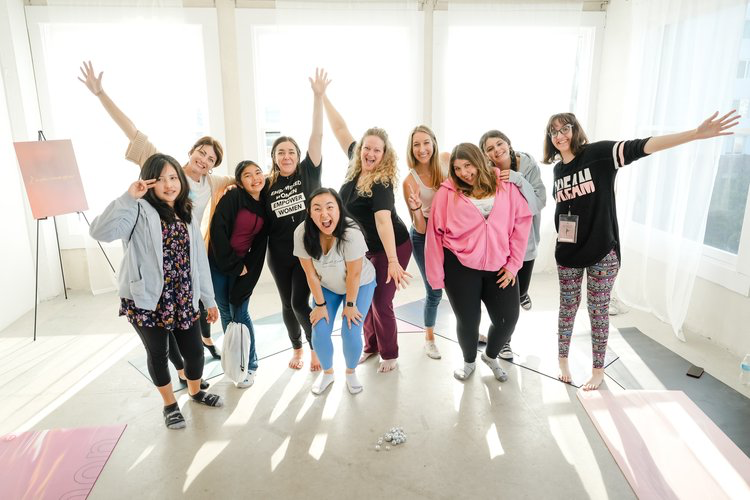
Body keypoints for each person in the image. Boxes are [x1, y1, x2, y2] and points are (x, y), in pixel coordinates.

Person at [543, 110, 740, 390]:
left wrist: (695, 134)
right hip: (568, 253)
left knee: (597, 311)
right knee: (567, 307)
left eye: (565, 129)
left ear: (575, 130)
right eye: (554, 132)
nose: (560, 135)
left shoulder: (598, 155)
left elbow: (642, 146)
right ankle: (562, 359)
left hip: (601, 251)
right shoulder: (558, 169)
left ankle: (597, 370)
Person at [79, 61, 226, 368]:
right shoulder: (162, 169)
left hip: (187, 259)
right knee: (161, 335)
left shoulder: (212, 182)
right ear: (192, 151)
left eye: (211, 159)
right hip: (153, 259)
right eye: (201, 151)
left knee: (192, 323)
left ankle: (197, 360)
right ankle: (179, 371)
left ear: (212, 166)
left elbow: (249, 177)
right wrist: (100, 93)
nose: (204, 159)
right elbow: (132, 131)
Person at [89, 154, 223, 429]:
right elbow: (99, 232)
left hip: (184, 296)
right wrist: (128, 197)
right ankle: (170, 405)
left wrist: (208, 300)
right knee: (158, 354)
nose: (168, 184)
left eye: (173, 177)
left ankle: (195, 392)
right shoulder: (137, 210)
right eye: (160, 179)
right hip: (147, 299)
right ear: (148, 183)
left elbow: (199, 261)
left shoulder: (186, 212)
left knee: (195, 352)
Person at [426, 143, 531, 382]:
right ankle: (469, 361)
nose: (464, 172)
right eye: (458, 168)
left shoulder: (505, 185)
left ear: (479, 161)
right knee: (468, 321)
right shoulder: (447, 192)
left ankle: (491, 356)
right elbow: (434, 234)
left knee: (507, 319)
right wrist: (435, 277)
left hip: (500, 265)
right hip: (460, 266)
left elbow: (521, 224)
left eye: (468, 165)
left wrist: (514, 264)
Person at [323, 95, 412, 373]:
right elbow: (340, 129)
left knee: (380, 301)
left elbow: (383, 221)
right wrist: (323, 97)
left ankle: (390, 354)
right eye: (367, 148)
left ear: (385, 155)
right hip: (365, 249)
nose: (371, 154)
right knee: (365, 296)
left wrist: (394, 261)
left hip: (392, 246)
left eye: (377, 151)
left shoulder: (382, 182)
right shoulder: (354, 164)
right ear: (360, 149)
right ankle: (370, 345)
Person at [265, 68, 330, 372]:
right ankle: (297, 348)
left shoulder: (308, 172)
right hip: (278, 255)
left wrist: (318, 97)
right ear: (274, 157)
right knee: (286, 304)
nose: (287, 156)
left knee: (299, 302)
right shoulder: (266, 184)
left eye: (291, 152)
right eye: (281, 153)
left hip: (307, 250)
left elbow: (316, 136)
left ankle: (315, 346)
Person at [293, 188, 377, 395]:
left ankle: (350, 373)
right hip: (327, 286)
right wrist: (320, 306)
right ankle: (328, 373)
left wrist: (350, 305)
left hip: (360, 284)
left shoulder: (351, 233)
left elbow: (354, 275)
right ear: (310, 212)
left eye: (330, 207)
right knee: (319, 331)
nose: (324, 214)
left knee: (351, 331)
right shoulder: (302, 233)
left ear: (339, 209)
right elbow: (310, 274)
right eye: (317, 208)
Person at [479, 130, 546, 360]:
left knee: (520, 290)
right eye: (490, 148)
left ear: (508, 144)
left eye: (500, 144)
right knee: (506, 297)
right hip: (501, 245)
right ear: (485, 155)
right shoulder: (488, 173)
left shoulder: (527, 164)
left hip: (525, 241)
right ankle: (505, 342)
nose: (497, 150)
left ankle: (523, 294)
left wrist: (518, 179)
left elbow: (538, 202)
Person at [207, 161, 268, 389]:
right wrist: (232, 263)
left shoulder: (265, 204)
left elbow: (260, 243)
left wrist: (245, 267)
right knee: (225, 311)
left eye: (258, 173)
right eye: (247, 175)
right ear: (239, 182)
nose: (254, 178)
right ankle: (234, 360)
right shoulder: (233, 198)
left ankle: (250, 365)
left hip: (243, 267)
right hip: (219, 262)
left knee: (239, 312)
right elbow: (218, 230)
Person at [402, 126, 445, 360]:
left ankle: (469, 330)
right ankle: (429, 338)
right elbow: (419, 226)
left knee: (461, 287)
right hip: (424, 234)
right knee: (434, 290)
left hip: (449, 232)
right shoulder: (410, 181)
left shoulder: (447, 162)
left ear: (434, 142)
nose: (422, 149)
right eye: (416, 144)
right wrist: (418, 208)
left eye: (426, 142)